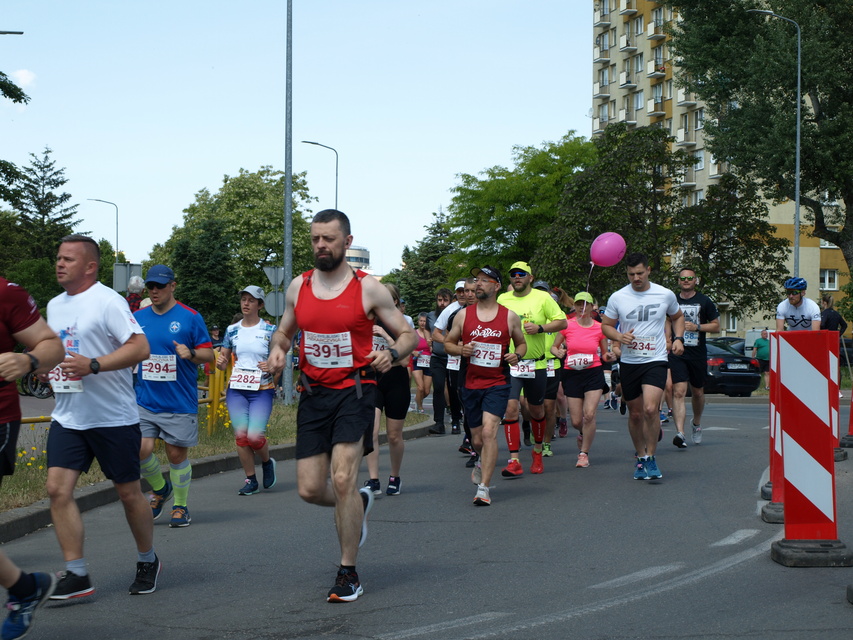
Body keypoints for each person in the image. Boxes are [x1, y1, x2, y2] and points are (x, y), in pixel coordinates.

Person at [266, 209, 416, 603]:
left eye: (328, 239)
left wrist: (392, 354)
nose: (320, 245)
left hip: (356, 391)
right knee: (310, 489)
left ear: (346, 243)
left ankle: (348, 572)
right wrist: (279, 349)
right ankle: (357, 505)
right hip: (314, 394)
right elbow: (285, 328)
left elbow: (408, 334)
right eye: (315, 238)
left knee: (345, 477)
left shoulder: (369, 289)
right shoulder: (299, 286)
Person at [44, 234, 158, 599]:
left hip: (112, 417)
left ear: (90, 267)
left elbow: (141, 347)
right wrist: (46, 367)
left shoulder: (107, 300)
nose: (60, 264)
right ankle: (77, 574)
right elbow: (57, 351)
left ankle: (147, 559)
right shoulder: (54, 305)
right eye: (58, 258)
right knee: (56, 490)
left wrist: (94, 365)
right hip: (69, 415)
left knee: (128, 493)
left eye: (68, 259)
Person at [0, 277, 65, 639]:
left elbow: (52, 344)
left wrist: (28, 359)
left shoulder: (5, 293)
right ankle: (25, 589)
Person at [135, 264, 214, 527]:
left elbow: (208, 354)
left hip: (178, 400)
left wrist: (190, 354)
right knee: (140, 449)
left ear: (173, 286)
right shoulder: (138, 317)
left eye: (159, 286)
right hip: (145, 399)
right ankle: (161, 489)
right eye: (150, 286)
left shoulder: (190, 317)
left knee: (176, 455)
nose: (154, 290)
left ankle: (180, 506)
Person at [444, 265, 526, 506]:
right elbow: (448, 343)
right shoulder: (463, 315)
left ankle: (483, 488)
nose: (478, 284)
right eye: (477, 280)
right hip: (470, 382)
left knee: (490, 432)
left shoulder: (509, 316)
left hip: (498, 382)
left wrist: (517, 356)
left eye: (485, 280)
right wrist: (461, 349)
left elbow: (521, 344)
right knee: (478, 439)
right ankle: (480, 460)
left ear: (497, 286)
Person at [601, 252, 684, 481]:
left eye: (639, 273)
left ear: (648, 270)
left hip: (655, 359)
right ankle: (640, 457)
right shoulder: (618, 297)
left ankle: (652, 458)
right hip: (629, 361)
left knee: (650, 409)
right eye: (631, 274)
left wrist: (678, 339)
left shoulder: (664, 294)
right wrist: (619, 336)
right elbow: (605, 326)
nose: (635, 278)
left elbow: (677, 316)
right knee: (636, 414)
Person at [496, 261, 566, 477]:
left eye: (521, 274)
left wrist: (541, 328)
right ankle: (514, 460)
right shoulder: (502, 299)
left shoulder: (542, 298)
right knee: (510, 408)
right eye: (513, 274)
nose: (517, 277)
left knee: (537, 410)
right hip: (511, 364)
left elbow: (562, 322)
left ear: (530, 278)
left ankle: (537, 451)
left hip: (536, 364)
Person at [216, 286, 277, 495]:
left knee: (254, 436)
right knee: (241, 436)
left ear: (260, 305)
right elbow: (223, 362)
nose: (246, 303)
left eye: (251, 300)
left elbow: (281, 362)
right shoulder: (232, 330)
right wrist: (221, 362)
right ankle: (250, 479)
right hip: (237, 389)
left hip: (262, 389)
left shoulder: (270, 330)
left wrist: (272, 366)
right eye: (243, 299)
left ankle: (267, 462)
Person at [551, 292, 615, 468]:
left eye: (586, 304)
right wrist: (558, 352)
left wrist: (609, 356)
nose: (582, 308)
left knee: (589, 414)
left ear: (592, 307)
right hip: (572, 373)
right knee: (577, 420)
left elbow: (604, 355)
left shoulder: (599, 328)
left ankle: (583, 453)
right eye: (579, 304)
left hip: (593, 372)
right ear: (575, 306)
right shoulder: (567, 325)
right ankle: (582, 433)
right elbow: (553, 347)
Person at [364, 284, 411, 496]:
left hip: (396, 380)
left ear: (394, 301)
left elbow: (406, 360)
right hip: (373, 380)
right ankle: (373, 480)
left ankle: (395, 476)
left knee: (394, 436)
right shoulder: (366, 321)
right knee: (371, 432)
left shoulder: (403, 323)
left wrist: (385, 335)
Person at [668, 267, 720, 448]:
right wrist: (670, 339)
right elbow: (666, 322)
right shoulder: (672, 300)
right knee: (679, 392)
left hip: (698, 352)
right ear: (678, 281)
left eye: (690, 278)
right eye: (683, 278)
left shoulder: (705, 301)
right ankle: (680, 433)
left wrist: (697, 327)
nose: (686, 281)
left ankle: (696, 423)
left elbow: (716, 327)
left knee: (697, 392)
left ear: (695, 280)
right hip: (677, 352)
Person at [429, 281, 467, 435]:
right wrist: (452, 343)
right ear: (455, 294)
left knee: (459, 389)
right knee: (440, 387)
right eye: (460, 291)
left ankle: (462, 420)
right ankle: (442, 422)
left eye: (467, 291)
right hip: (444, 357)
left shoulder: (479, 308)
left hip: (466, 357)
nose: (464, 294)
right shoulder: (450, 310)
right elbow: (435, 334)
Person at [411, 312, 432, 414]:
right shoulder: (414, 334)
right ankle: (419, 407)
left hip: (429, 362)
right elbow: (407, 346)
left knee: (426, 391)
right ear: (418, 321)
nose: (423, 323)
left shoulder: (431, 334)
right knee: (420, 387)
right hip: (416, 362)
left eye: (425, 321)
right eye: (421, 321)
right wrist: (413, 352)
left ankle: (417, 399)